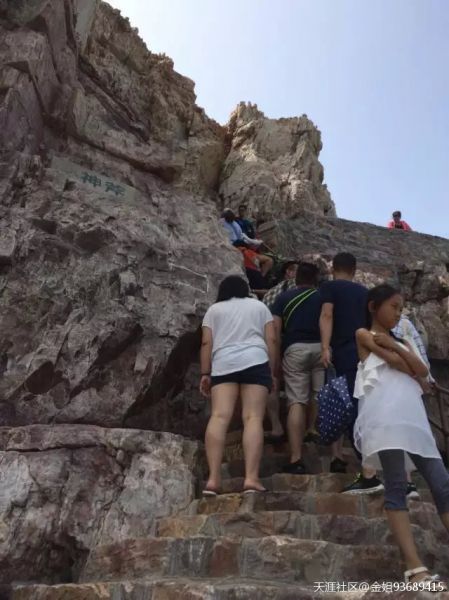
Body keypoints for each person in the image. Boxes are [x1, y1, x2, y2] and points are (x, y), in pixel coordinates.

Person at [353, 284, 448, 590]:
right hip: (385, 419)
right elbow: (397, 365)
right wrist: (399, 354)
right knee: (396, 486)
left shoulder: (402, 339)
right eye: (393, 307)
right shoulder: (363, 333)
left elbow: (421, 370)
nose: (398, 313)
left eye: (400, 308)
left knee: (442, 483)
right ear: (373, 306)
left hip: (413, 419)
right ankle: (414, 566)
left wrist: (398, 347)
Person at [200, 275, 277, 495]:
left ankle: (213, 480)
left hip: (224, 363)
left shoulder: (214, 310)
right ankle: (251, 479)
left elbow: (206, 342)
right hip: (255, 360)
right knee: (252, 418)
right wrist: (271, 371)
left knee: (219, 416)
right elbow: (271, 340)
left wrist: (205, 373)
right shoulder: (259, 306)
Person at [320, 252, 383, 493]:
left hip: (343, 354)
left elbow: (327, 314)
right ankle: (372, 468)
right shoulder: (365, 293)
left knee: (350, 407)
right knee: (362, 404)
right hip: (364, 354)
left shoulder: (330, 288)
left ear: (333, 269)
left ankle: (369, 472)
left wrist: (325, 347)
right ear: (354, 270)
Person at [272, 262, 324, 474]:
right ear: (316, 279)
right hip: (320, 348)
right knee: (317, 393)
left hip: (294, 349)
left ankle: (296, 457)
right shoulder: (323, 297)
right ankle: (312, 429)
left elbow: (275, 331)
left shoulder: (283, 298)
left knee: (296, 401)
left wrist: (275, 360)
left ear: (296, 278)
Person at [263, 260, 298, 442]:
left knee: (273, 382)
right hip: (296, 342)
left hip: (273, 341)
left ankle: (277, 426)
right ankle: (300, 429)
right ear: (288, 272)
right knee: (297, 387)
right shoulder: (307, 291)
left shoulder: (271, 293)